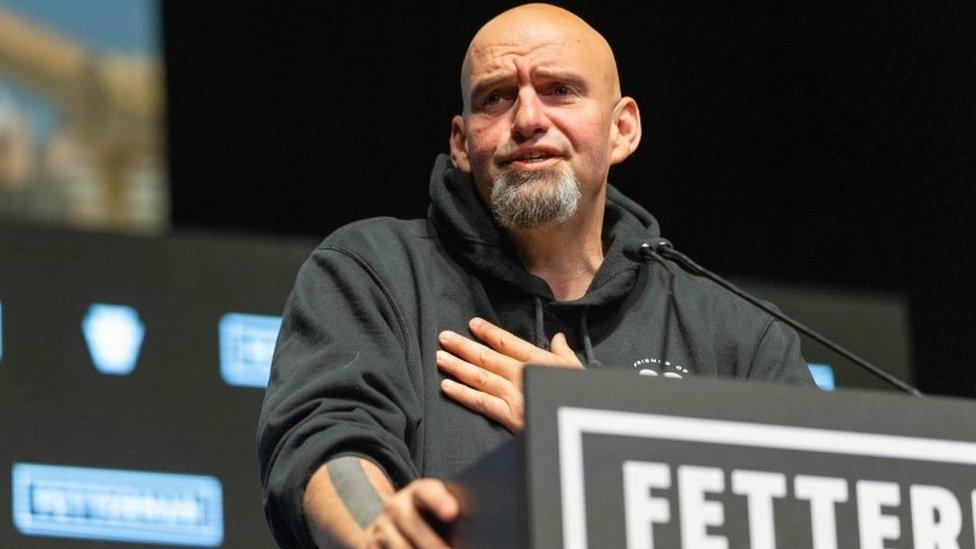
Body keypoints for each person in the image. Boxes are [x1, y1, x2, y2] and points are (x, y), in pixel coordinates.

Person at [258, 4, 815, 547]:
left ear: (622, 129)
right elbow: (326, 440)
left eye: (560, 91)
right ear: (460, 143)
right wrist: (375, 527)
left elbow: (809, 507)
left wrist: (602, 434)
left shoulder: (738, 335)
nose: (527, 119)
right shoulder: (375, 272)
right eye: (496, 97)